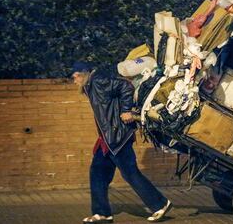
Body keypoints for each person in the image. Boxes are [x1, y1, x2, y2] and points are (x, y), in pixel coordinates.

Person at [71, 61, 172, 224]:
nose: (74, 81)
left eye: (74, 77)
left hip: (118, 136)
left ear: (80, 74)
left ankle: (160, 204)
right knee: (97, 173)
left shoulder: (98, 80)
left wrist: (126, 110)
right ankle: (102, 214)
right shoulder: (91, 84)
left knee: (130, 173)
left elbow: (126, 86)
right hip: (108, 139)